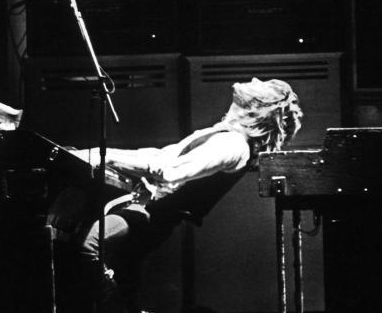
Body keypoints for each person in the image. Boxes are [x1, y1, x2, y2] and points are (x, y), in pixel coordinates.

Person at [58, 78, 303, 312]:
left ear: (260, 107)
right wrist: (91, 154)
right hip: (147, 211)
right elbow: (159, 155)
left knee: (89, 245)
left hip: (152, 215)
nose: (254, 79)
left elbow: (168, 170)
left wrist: (103, 157)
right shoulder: (227, 137)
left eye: (261, 85)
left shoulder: (233, 145)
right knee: (113, 272)